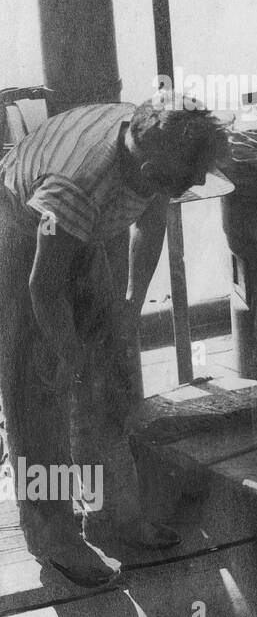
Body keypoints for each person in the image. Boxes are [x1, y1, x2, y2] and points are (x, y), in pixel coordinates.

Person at [0, 99, 230, 586]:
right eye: (187, 182)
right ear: (148, 170)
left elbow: (150, 222)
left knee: (107, 379)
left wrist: (129, 305)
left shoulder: (158, 139)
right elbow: (43, 287)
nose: (195, 188)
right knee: (40, 392)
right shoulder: (78, 185)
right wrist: (69, 357)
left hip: (74, 227)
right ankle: (54, 536)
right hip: (20, 227)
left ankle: (111, 516)